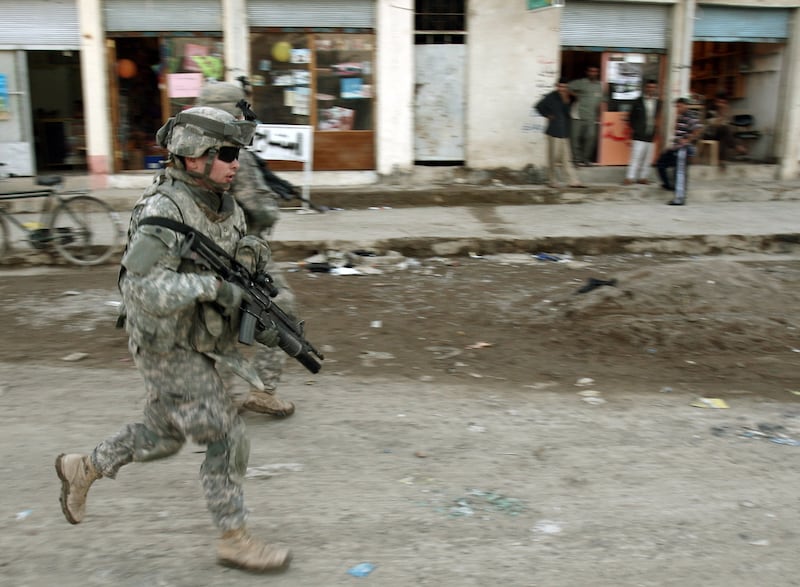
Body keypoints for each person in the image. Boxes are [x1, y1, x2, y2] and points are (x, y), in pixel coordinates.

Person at [54, 106, 293, 573]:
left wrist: (256, 308)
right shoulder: (162, 211)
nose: (234, 163)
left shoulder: (223, 203)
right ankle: (234, 539)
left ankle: (84, 467)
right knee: (227, 435)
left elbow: (239, 263)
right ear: (191, 155)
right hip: (167, 345)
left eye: (237, 153)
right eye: (224, 153)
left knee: (162, 438)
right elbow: (139, 288)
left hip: (204, 342)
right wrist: (215, 289)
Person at [195, 81, 298, 418]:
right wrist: (271, 199)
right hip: (240, 255)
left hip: (195, 256)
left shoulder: (186, 153)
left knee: (215, 324)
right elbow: (262, 211)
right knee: (281, 310)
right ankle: (263, 392)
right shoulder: (233, 154)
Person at [535, 77, 585, 189]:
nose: (562, 89)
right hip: (553, 132)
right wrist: (547, 115)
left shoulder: (568, 97)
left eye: (565, 87)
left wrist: (568, 96)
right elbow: (538, 107)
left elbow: (576, 100)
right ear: (557, 86)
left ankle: (573, 180)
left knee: (566, 158)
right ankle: (551, 181)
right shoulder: (551, 96)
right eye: (560, 86)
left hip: (565, 132)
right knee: (553, 158)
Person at [656, 98, 703, 206]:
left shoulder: (690, 116)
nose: (678, 108)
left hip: (684, 149)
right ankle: (668, 185)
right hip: (676, 147)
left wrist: (687, 140)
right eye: (677, 106)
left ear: (686, 106)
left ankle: (679, 198)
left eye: (680, 106)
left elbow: (698, 129)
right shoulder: (681, 116)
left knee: (680, 173)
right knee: (661, 162)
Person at [624, 79, 662, 185]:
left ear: (655, 89)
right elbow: (631, 117)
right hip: (639, 134)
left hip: (651, 133)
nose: (651, 89)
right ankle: (630, 177)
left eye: (653, 88)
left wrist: (657, 132)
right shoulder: (638, 101)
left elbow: (658, 117)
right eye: (649, 87)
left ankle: (643, 177)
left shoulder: (658, 102)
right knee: (636, 156)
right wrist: (635, 128)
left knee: (647, 158)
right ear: (645, 88)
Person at [568, 65, 605, 166]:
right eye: (591, 71)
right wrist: (575, 95)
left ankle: (586, 159)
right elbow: (567, 87)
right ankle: (576, 160)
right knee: (575, 138)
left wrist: (600, 115)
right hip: (577, 115)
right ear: (587, 72)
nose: (593, 73)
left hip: (591, 116)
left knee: (591, 138)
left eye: (595, 71)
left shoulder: (600, 85)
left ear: (598, 73)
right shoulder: (581, 82)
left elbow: (602, 101)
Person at [703, 92, 748, 169]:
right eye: (720, 102)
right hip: (709, 133)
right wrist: (721, 114)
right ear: (716, 101)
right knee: (725, 130)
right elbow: (713, 124)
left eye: (724, 102)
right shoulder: (710, 109)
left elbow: (727, 123)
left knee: (724, 135)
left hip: (721, 133)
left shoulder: (726, 109)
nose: (722, 104)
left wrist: (724, 113)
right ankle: (736, 146)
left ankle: (722, 161)